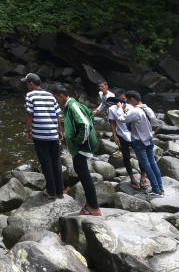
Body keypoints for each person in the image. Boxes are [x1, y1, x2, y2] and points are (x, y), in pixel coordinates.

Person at [51, 84, 101, 216]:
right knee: (83, 174)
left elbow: (85, 124)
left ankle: (94, 207)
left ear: (61, 95)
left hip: (81, 148)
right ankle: (91, 204)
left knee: (84, 176)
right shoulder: (71, 106)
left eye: (56, 97)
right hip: (79, 148)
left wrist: (78, 141)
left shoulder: (73, 106)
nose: (56, 100)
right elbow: (90, 115)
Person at [23, 73, 65, 199]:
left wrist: (27, 130)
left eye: (26, 83)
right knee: (56, 162)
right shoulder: (50, 96)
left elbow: (30, 114)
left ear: (31, 83)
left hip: (40, 135)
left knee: (46, 162)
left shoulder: (30, 95)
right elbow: (58, 115)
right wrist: (59, 130)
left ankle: (51, 191)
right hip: (53, 133)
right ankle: (60, 191)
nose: (26, 85)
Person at [116, 91, 164, 197]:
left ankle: (156, 191)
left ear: (133, 99)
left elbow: (122, 119)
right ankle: (160, 188)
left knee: (146, 165)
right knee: (153, 163)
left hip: (139, 141)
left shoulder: (136, 111)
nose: (127, 103)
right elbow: (153, 118)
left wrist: (120, 108)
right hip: (149, 139)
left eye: (128, 100)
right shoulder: (147, 109)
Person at [106, 88, 145, 190]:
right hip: (122, 135)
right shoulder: (112, 109)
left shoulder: (132, 107)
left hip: (134, 135)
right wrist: (114, 135)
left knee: (141, 155)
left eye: (123, 99)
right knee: (126, 157)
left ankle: (143, 176)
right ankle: (132, 177)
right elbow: (112, 122)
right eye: (119, 100)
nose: (122, 101)